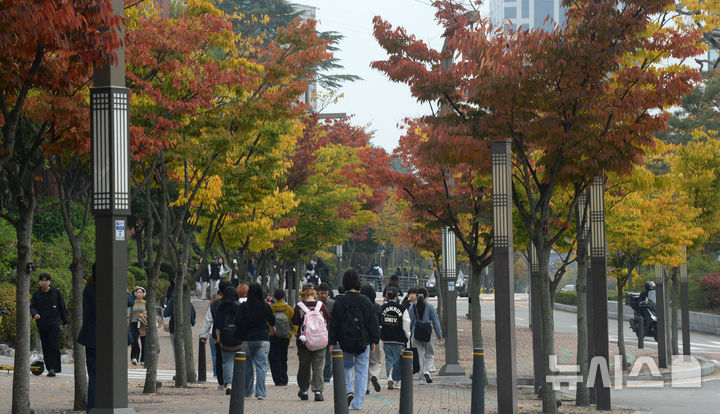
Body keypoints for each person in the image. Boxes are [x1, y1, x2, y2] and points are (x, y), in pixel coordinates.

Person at [329, 269, 380, 410]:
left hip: (344, 341)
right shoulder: (365, 301)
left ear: (344, 283)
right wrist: (374, 340)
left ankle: (348, 391)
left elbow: (334, 323)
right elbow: (372, 322)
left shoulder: (339, 301)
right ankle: (357, 403)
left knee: (345, 367)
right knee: (362, 371)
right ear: (358, 283)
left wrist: (332, 342)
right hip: (363, 341)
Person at [292, 284, 330, 401]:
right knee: (318, 366)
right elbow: (328, 320)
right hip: (320, 341)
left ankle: (304, 390)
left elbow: (294, 321)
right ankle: (318, 392)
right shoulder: (321, 305)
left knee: (304, 366)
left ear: (303, 293)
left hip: (304, 342)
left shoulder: (299, 307)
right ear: (314, 293)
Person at [239, 283, 276, 399]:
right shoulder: (265, 306)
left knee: (247, 367)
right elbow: (272, 319)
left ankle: (247, 391)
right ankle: (260, 392)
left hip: (246, 339)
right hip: (262, 338)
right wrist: (271, 328)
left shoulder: (244, 306)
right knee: (261, 366)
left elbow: (237, 321)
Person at [30, 273, 68, 377]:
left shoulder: (56, 293)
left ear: (49, 282)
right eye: (42, 280)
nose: (44, 282)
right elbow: (32, 306)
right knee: (45, 346)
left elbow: (62, 307)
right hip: (42, 324)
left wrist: (65, 321)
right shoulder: (36, 294)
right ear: (39, 282)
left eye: (46, 280)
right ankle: (49, 367)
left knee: (54, 345)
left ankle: (53, 369)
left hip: (54, 323)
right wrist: (35, 314)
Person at [201, 280, 231, 384]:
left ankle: (221, 381)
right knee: (231, 358)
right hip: (234, 335)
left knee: (219, 357)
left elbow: (208, 320)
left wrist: (203, 335)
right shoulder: (236, 303)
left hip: (218, 335)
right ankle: (230, 380)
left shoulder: (214, 304)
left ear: (220, 290)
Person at [409, 287, 442, 383]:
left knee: (419, 355)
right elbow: (436, 322)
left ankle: (421, 379)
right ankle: (427, 371)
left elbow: (410, 321)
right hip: (428, 333)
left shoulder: (412, 307)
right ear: (426, 296)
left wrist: (410, 332)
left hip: (416, 333)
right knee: (430, 354)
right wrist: (439, 335)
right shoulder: (431, 307)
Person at [380, 287, 410, 390]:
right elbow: (406, 323)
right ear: (397, 295)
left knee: (389, 359)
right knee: (398, 360)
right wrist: (407, 335)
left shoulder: (383, 308)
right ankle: (397, 381)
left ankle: (389, 377)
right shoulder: (402, 308)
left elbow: (379, 323)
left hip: (386, 337)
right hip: (399, 338)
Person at [214, 286, 241, 394]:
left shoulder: (221, 307)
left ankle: (228, 384)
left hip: (225, 339)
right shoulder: (239, 307)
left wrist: (219, 340)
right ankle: (237, 383)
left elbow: (217, 325)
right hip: (238, 339)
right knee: (239, 362)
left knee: (227, 362)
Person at [77, 265, 97, 411]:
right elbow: (128, 300)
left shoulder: (89, 287)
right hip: (107, 338)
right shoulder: (110, 287)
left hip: (91, 336)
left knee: (94, 375)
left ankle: (92, 408)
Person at [360, 284, 383, 393]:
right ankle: (374, 375)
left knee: (364, 363)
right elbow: (381, 323)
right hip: (375, 337)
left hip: (362, 337)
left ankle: (365, 387)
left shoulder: (360, 306)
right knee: (376, 361)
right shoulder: (377, 307)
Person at [269, 288, 294, 386]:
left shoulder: (272, 308)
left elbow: (268, 322)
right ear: (284, 297)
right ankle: (284, 378)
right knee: (283, 357)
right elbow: (293, 323)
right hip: (285, 336)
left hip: (273, 335)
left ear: (274, 297)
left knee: (274, 357)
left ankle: (277, 379)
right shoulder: (289, 309)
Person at [317, 282, 335, 383]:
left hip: (328, 334)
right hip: (316, 334)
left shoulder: (332, 304)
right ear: (318, 293)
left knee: (329, 358)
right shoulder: (314, 304)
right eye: (322, 293)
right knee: (318, 358)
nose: (323, 295)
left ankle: (327, 377)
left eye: (325, 293)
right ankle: (319, 376)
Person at [129, 286, 148, 365]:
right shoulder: (133, 302)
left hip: (143, 324)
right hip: (134, 323)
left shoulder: (146, 303)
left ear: (143, 294)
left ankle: (143, 359)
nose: (139, 294)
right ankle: (134, 357)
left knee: (144, 342)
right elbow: (130, 313)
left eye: (141, 292)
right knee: (134, 341)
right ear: (135, 293)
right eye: (138, 292)